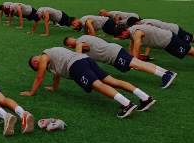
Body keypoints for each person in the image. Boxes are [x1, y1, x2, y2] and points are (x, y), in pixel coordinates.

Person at [22, 47, 155, 118]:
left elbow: (40, 77)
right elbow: (56, 75)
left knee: (97, 85)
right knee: (113, 81)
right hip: (86, 60)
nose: (41, 68)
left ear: (35, 62)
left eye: (37, 67)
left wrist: (31, 92)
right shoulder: (52, 59)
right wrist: (54, 88)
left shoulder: (44, 56)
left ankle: (127, 104)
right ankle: (145, 98)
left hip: (76, 66)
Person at [63, 35, 177, 88]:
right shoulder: (82, 39)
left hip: (114, 54)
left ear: (69, 44)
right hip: (114, 52)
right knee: (138, 64)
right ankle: (167, 72)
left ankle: (165, 75)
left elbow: (83, 47)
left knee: (137, 64)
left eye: (71, 42)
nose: (73, 42)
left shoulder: (80, 42)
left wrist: (77, 52)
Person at [125, 24, 194, 60]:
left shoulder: (137, 30)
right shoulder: (133, 30)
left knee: (189, 50)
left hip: (169, 39)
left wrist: (135, 60)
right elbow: (133, 42)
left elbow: (138, 44)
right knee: (188, 52)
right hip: (166, 42)